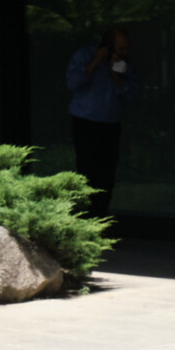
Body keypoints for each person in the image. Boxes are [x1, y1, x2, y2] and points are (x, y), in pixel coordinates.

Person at [65, 26, 138, 216]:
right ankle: (85, 216)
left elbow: (131, 95)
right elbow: (72, 83)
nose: (125, 52)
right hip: (85, 122)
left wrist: (116, 75)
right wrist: (95, 62)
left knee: (106, 174)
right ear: (109, 46)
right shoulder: (85, 56)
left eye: (126, 48)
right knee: (86, 171)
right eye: (121, 48)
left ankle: (101, 215)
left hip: (110, 124)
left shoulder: (124, 64)